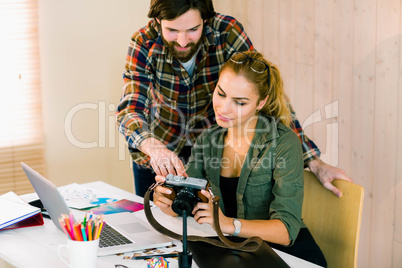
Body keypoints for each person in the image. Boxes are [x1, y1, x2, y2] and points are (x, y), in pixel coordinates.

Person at [116, 0, 351, 198]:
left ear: (205, 20)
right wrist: (154, 148)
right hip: (159, 154)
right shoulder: (143, 42)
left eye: (192, 30)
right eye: (172, 31)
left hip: (211, 155)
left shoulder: (226, 33)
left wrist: (312, 161)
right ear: (158, 22)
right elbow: (130, 110)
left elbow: (264, 94)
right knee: (155, 234)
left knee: (205, 232)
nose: (183, 41)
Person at [153, 51, 327, 267]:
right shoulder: (208, 139)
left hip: (286, 256)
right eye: (221, 93)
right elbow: (189, 197)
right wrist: (168, 199)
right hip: (233, 252)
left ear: (261, 102)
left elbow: (286, 231)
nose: (224, 108)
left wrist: (229, 225)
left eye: (240, 102)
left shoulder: (283, 142)